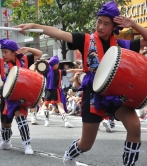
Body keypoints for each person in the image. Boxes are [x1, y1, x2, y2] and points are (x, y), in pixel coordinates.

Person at [15, 1, 147, 165]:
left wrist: (133, 24)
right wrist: (34, 25)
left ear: (114, 27)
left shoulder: (122, 45)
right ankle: (69, 156)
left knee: (134, 127)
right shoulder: (84, 40)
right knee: (86, 144)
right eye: (99, 21)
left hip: (114, 92)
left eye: (106, 24)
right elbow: (58, 32)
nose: (100, 26)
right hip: (93, 94)